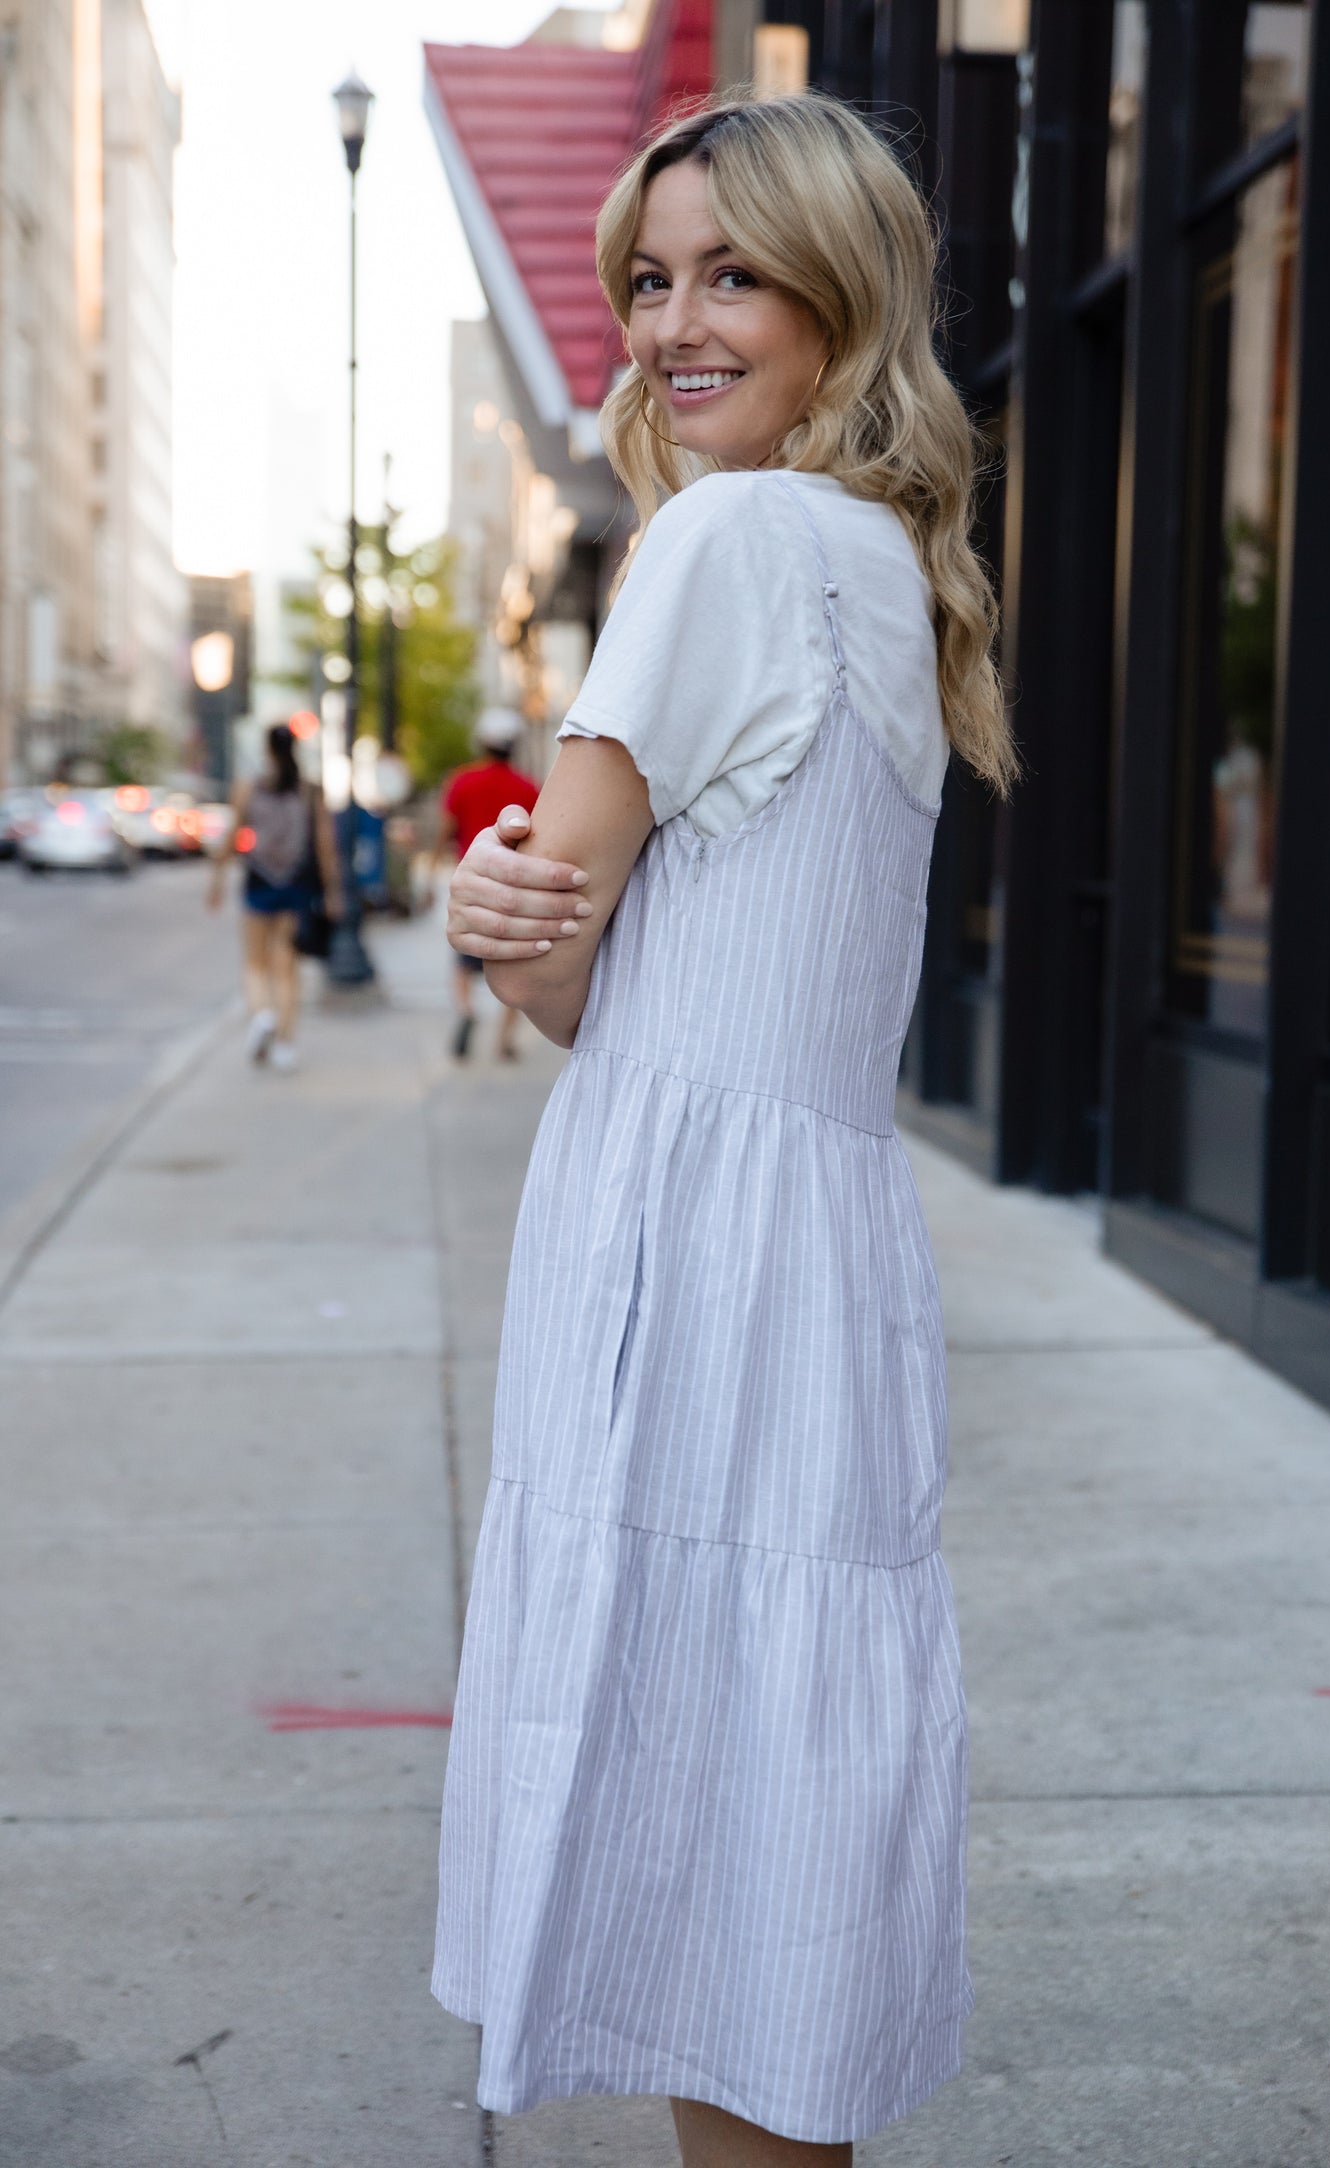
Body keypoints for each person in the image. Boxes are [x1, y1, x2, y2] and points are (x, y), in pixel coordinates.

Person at [439, 92, 1016, 2168]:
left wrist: (481, 895)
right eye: (649, 278)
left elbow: (552, 902)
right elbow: (643, 964)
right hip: (807, 1252)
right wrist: (527, 919)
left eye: (731, 274)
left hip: (683, 1244)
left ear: (836, 297)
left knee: (698, 1815)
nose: (676, 323)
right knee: (762, 1849)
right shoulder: (881, 568)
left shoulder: (728, 536)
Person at [207, 721, 341, 1072]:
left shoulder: (248, 789)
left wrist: (217, 881)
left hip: (259, 881)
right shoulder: (311, 791)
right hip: (297, 884)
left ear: (267, 750)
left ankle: (262, 1015)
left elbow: (231, 839)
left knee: (255, 962)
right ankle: (285, 1043)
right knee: (287, 968)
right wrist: (333, 891)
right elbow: (326, 846)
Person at [438, 711, 539, 1061]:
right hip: (512, 889)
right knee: (513, 967)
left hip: (473, 884)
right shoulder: (529, 787)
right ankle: (504, 1040)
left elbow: (446, 829)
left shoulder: (462, 781)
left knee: (462, 963)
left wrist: (433, 867)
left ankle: (467, 1011)